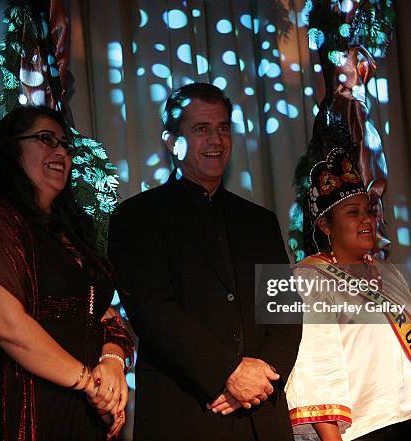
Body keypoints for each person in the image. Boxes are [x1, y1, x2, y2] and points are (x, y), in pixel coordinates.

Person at [108, 83, 300, 440]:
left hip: (263, 414)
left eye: (223, 128)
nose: (216, 140)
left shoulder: (259, 221)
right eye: (201, 129)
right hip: (187, 411)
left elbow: (284, 310)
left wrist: (262, 376)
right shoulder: (137, 217)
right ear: (171, 141)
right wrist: (228, 373)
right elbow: (153, 312)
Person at [0, 106, 134, 440]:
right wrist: (89, 382)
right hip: (16, 404)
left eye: (65, 144)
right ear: (10, 150)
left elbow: (102, 315)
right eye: (46, 139)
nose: (61, 151)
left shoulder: (73, 231)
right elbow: (7, 326)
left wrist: (112, 362)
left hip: (84, 404)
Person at [285, 148, 411, 441]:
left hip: (410, 423)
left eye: (368, 210)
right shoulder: (309, 278)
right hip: (362, 431)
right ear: (326, 225)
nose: (366, 219)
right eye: (352, 213)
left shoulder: (389, 272)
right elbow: (314, 367)